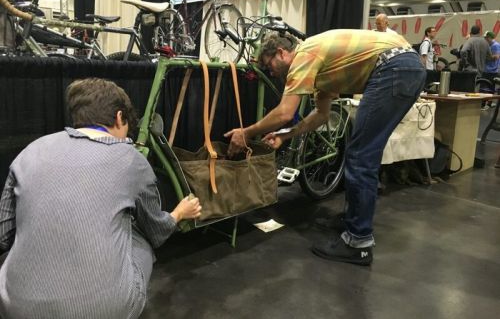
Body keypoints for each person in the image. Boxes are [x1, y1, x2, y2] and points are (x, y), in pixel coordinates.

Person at [0, 78, 202, 319]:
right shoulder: (131, 159)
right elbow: (157, 231)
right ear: (119, 118)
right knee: (139, 235)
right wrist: (180, 212)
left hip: (14, 307)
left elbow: (4, 236)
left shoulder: (31, 150)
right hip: (100, 310)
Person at [225, 30, 426, 266]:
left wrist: (246, 133)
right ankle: (354, 221)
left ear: (281, 52)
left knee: (361, 157)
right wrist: (285, 135)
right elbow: (321, 115)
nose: (271, 72)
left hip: (394, 67)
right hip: (404, 67)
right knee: (361, 153)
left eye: (269, 65)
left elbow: (284, 112)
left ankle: (358, 243)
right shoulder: (323, 66)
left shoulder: (304, 55)